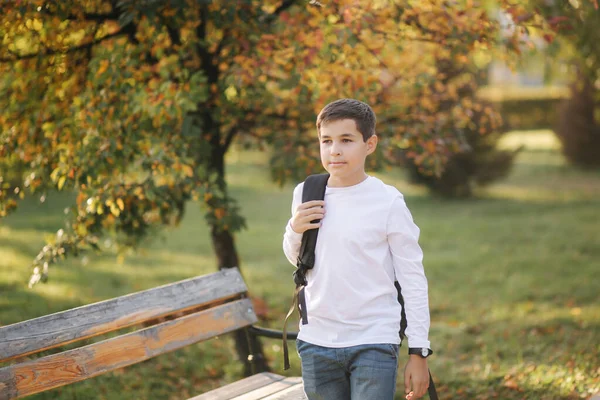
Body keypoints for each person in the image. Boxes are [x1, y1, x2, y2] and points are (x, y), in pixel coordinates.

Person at [282, 99, 432, 400]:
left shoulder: (387, 202)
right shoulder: (307, 192)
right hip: (317, 341)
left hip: (373, 339)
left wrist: (419, 351)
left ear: (370, 143)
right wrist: (294, 228)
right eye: (326, 141)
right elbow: (298, 260)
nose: (334, 150)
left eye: (346, 140)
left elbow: (413, 279)